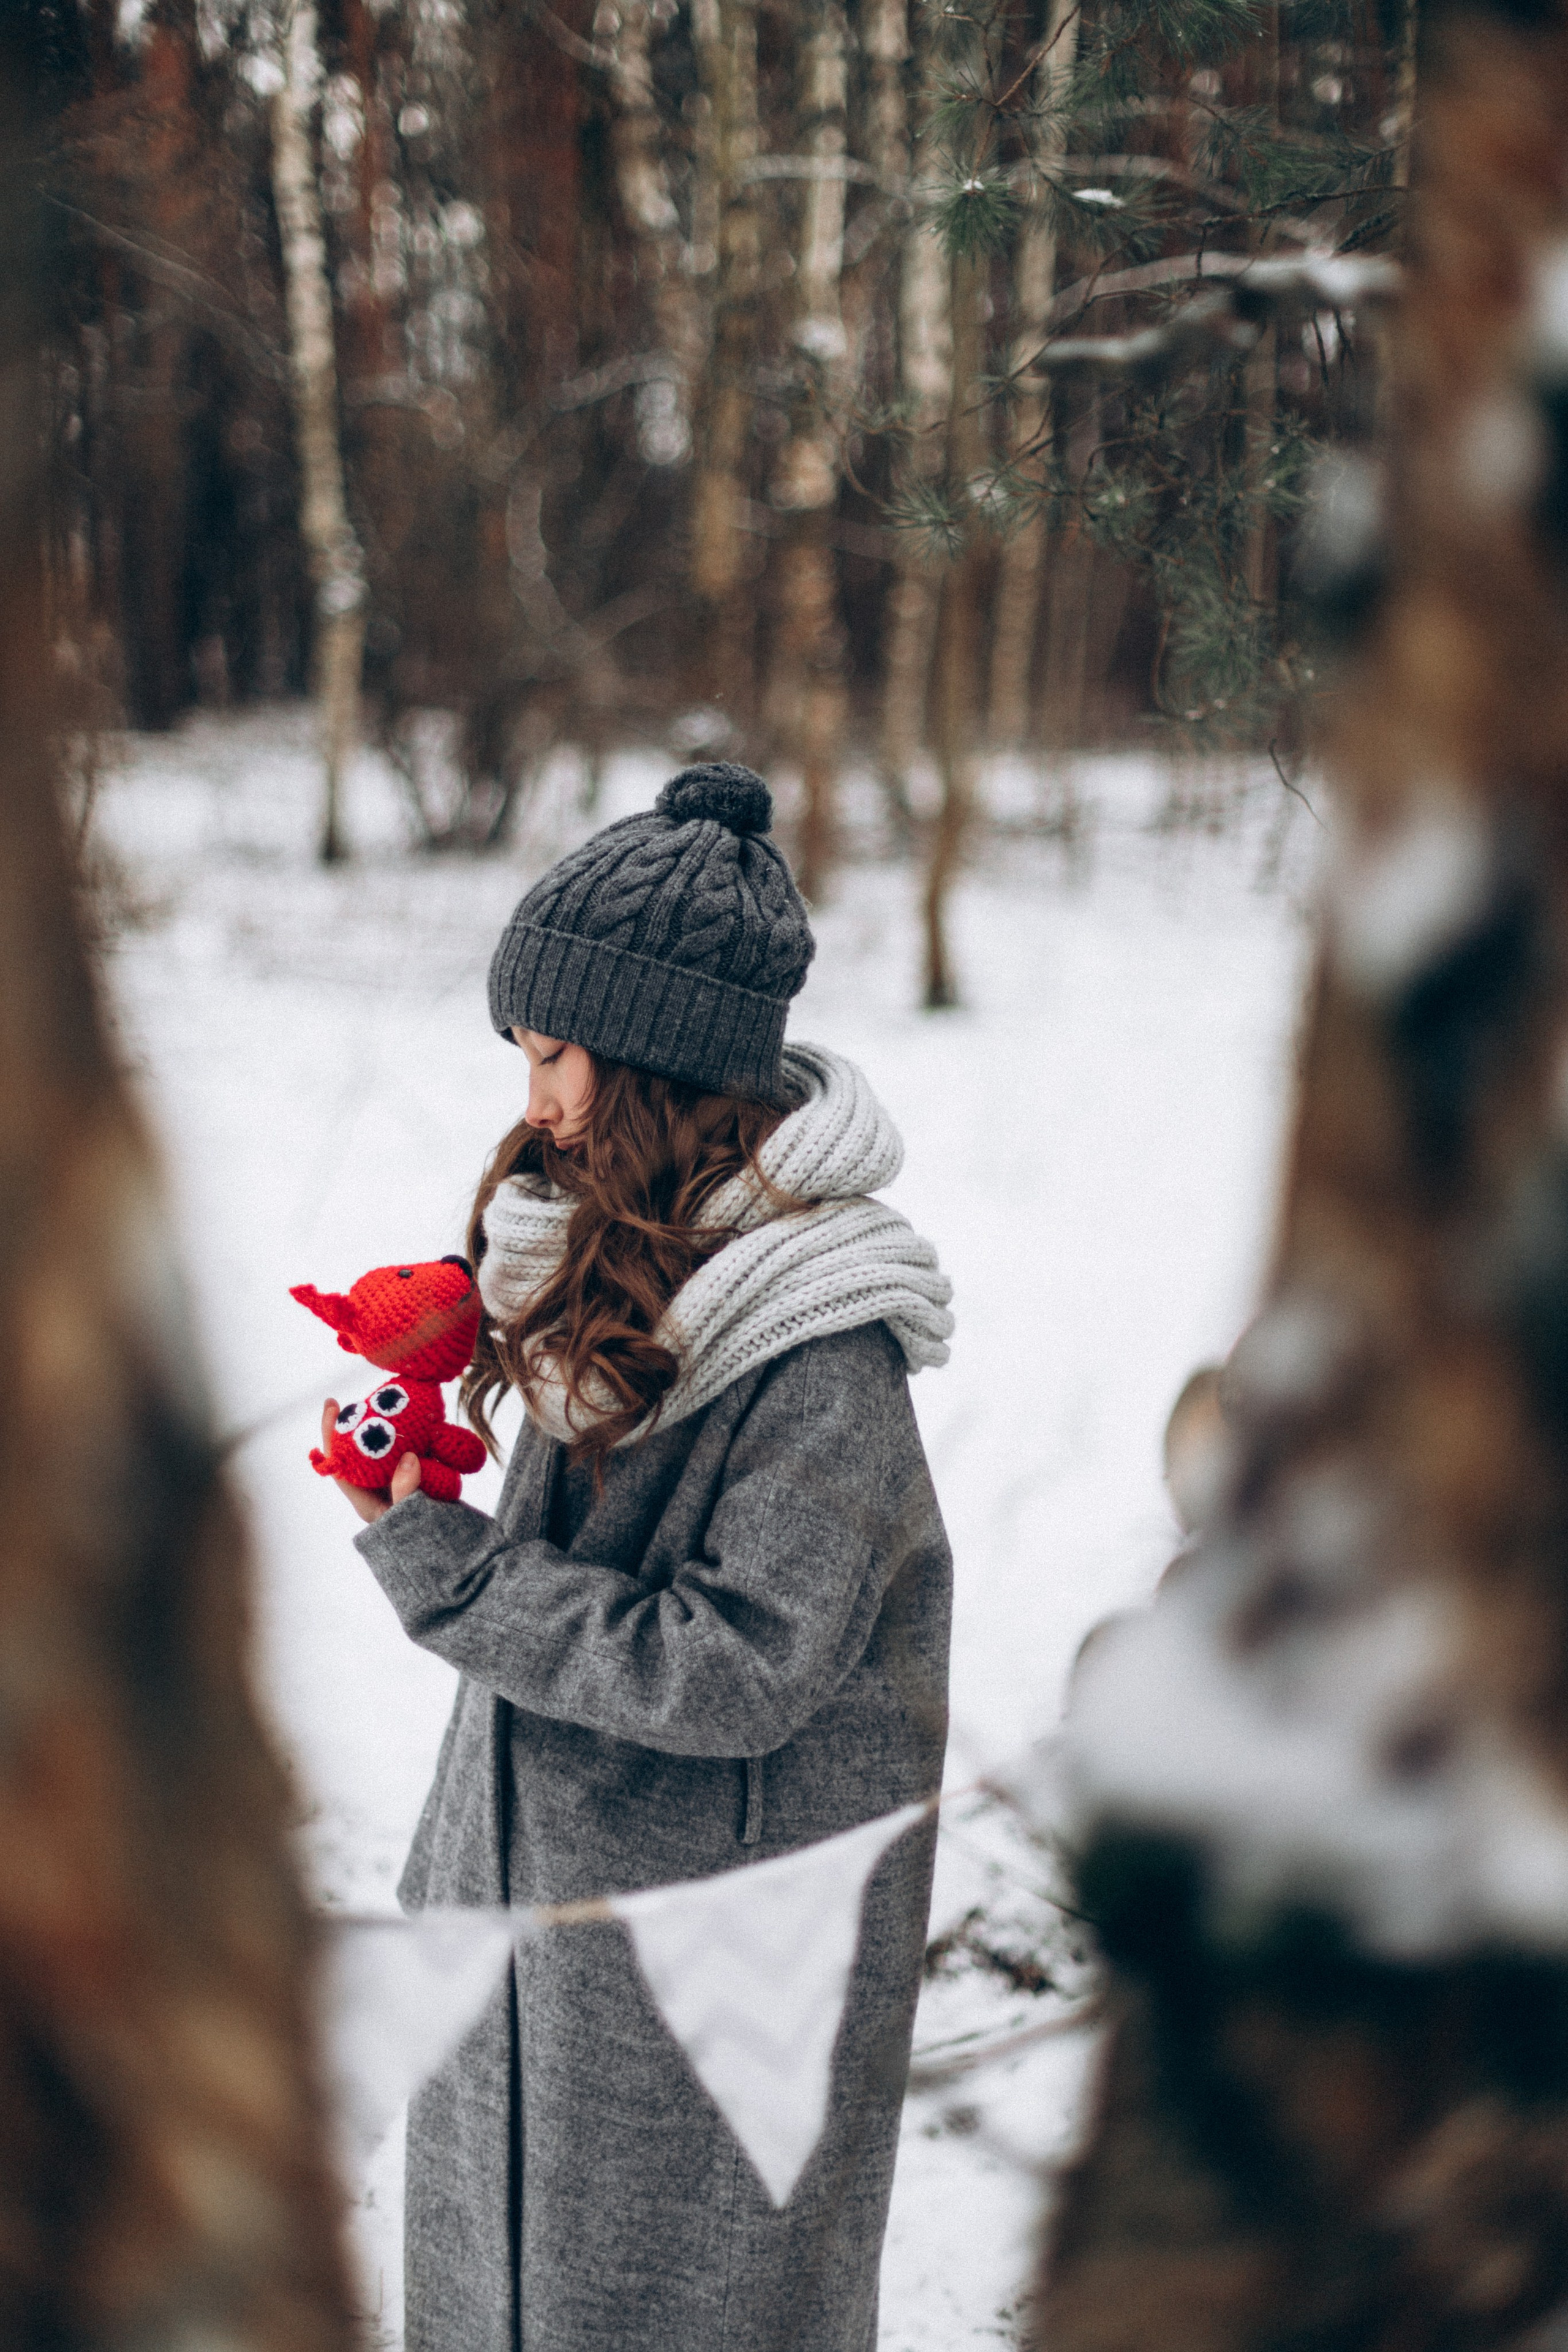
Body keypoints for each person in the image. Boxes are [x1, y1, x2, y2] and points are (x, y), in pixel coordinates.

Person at [323, 761, 955, 2352]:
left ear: (662, 1064)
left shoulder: (815, 1354)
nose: (532, 1101)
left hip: (704, 1976)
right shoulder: (624, 1258)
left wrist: (453, 1578)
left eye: (554, 1056)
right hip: (527, 1929)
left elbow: (736, 1665)